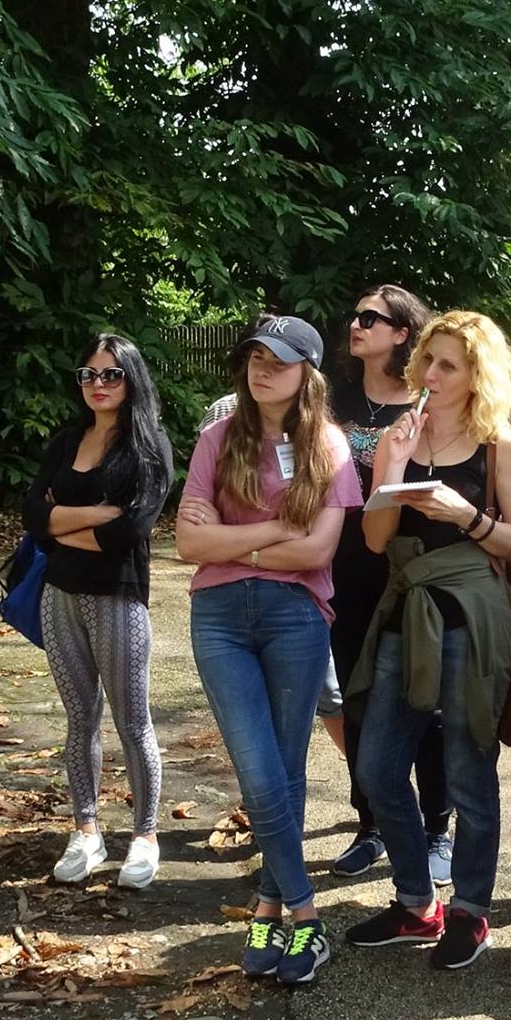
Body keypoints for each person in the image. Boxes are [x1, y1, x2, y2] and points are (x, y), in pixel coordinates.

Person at [343, 311, 511, 969]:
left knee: (468, 765)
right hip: (405, 603)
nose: (431, 374)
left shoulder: (498, 443)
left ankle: (471, 910)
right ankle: (417, 901)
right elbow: (374, 540)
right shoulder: (399, 435)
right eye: (427, 359)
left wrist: (466, 514)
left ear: (479, 374)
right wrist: (391, 469)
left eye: (448, 364)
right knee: (377, 767)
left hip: (470, 611)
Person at [176, 317, 361, 985]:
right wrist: (274, 531)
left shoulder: (329, 444)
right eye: (255, 357)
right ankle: (305, 917)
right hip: (219, 618)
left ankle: (267, 904)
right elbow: (187, 544)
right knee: (258, 772)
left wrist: (232, 540)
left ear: (307, 372)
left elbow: (317, 550)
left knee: (284, 767)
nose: (262, 369)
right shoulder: (217, 437)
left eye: (278, 361)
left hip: (296, 616)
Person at [24, 335, 176, 892]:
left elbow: (131, 531)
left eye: (111, 374)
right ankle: (86, 830)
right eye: (88, 374)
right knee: (79, 719)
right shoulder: (66, 441)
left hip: (118, 597)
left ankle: (145, 835)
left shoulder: (149, 446)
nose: (99, 384)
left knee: (133, 722)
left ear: (132, 379)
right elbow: (32, 518)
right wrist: (95, 516)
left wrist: (61, 521)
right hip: (58, 595)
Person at [325, 285, 456, 882]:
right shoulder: (332, 398)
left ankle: (436, 828)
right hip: (342, 568)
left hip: (409, 571)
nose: (356, 325)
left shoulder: (428, 400)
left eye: (370, 318)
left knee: (424, 700)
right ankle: (371, 822)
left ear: (403, 332)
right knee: (356, 695)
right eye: (354, 316)